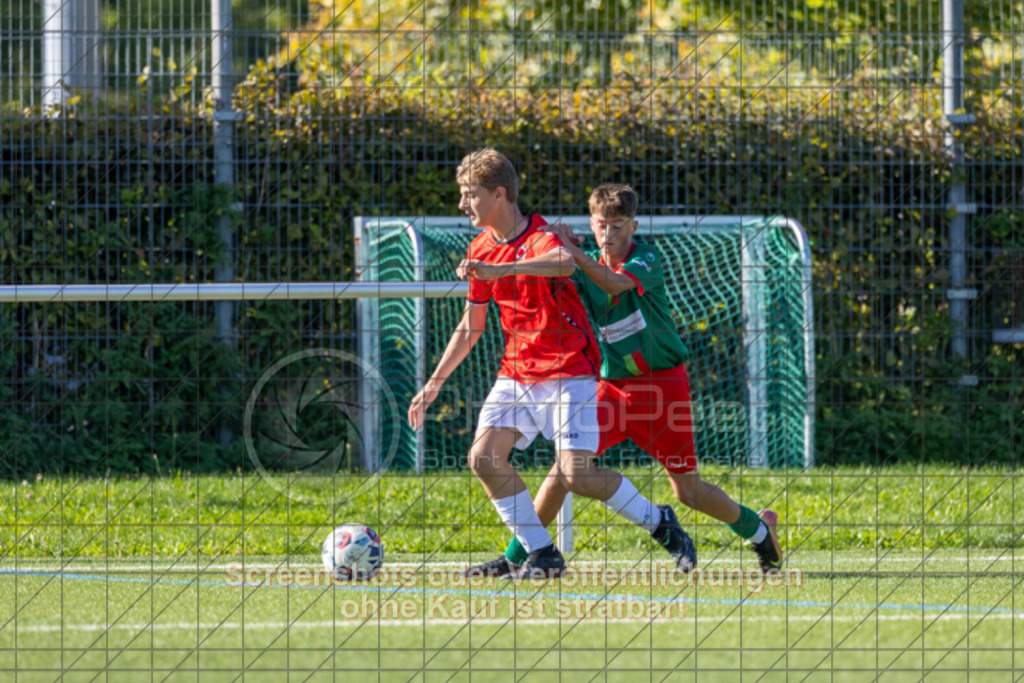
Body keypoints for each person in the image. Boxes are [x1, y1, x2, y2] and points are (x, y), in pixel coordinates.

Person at [465, 183, 783, 576]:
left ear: (633, 226)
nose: (609, 235)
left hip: (662, 388)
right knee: (566, 471)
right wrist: (545, 250)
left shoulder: (646, 257)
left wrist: (574, 252)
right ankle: (518, 558)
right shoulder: (583, 264)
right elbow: (557, 281)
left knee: (689, 492)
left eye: (618, 226)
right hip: (610, 389)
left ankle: (759, 531)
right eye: (601, 225)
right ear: (591, 223)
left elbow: (613, 283)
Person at [408, 151, 695, 579]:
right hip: (516, 372)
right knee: (484, 458)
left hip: (569, 371)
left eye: (469, 195)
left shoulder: (543, 235)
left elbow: (562, 262)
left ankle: (661, 523)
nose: (462, 205)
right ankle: (543, 553)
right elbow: (472, 324)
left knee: (576, 474)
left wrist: (499, 268)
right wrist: (433, 383)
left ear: (499, 194)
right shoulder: (480, 247)